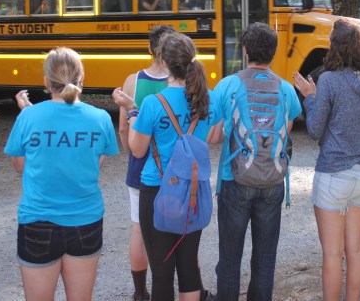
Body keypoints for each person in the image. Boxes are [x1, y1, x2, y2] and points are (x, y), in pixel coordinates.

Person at [113, 32, 222, 301]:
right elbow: (213, 137)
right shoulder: (209, 99)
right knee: (189, 269)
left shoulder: (153, 104)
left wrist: (133, 111)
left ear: (163, 61)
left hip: (157, 190)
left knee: (162, 274)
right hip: (193, 190)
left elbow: (137, 149)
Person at [5, 47, 119, 301]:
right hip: (85, 220)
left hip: (37, 220)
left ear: (46, 81)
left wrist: (31, 114)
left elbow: (21, 166)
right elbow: (95, 164)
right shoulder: (100, 118)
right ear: (82, 77)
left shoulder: (28, 116)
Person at [293, 19, 360, 301]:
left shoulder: (330, 80)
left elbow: (314, 129)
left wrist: (310, 97)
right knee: (355, 249)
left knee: (333, 253)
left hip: (333, 174)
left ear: (335, 47)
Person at [213, 22, 302, 301]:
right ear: (273, 53)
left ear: (245, 50)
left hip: (234, 178)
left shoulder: (228, 85)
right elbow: (287, 129)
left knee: (230, 258)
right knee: (264, 259)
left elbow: (215, 134)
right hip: (273, 180)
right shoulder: (285, 88)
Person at [115, 25, 177, 301]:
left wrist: (133, 152)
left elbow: (123, 128)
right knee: (179, 229)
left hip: (141, 167)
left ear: (150, 48)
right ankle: (187, 286)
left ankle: (140, 292)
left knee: (139, 229)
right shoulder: (180, 80)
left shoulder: (133, 81)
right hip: (174, 169)